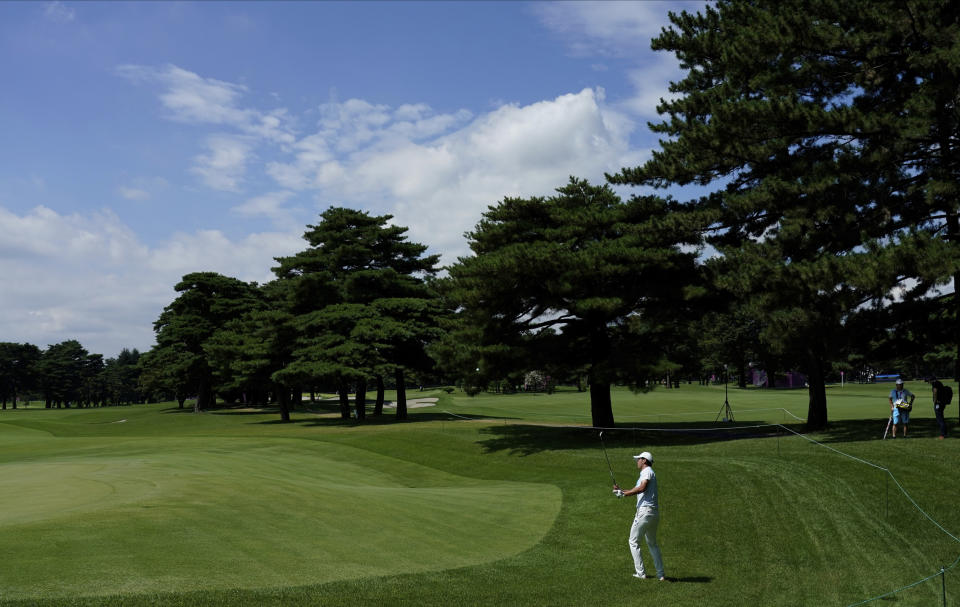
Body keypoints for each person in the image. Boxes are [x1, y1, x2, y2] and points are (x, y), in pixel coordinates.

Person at [613, 451, 665, 581]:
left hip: (644, 513)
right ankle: (661, 575)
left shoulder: (647, 471)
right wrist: (621, 491)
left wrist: (625, 494)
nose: (637, 461)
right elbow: (637, 490)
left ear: (644, 461)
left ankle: (641, 573)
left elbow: (642, 488)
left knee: (633, 541)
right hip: (653, 513)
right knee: (652, 543)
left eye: (639, 459)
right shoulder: (646, 473)